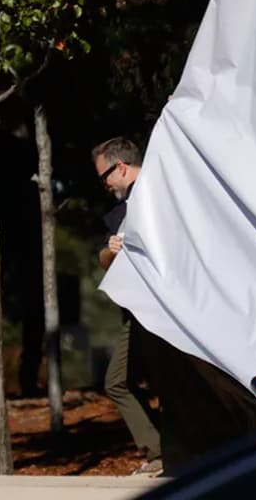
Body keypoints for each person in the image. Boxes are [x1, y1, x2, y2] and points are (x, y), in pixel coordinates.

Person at [93, 137, 163, 476]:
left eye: (104, 177)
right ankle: (163, 451)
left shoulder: (153, 195)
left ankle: (162, 452)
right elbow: (106, 260)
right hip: (143, 312)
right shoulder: (128, 209)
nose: (104, 185)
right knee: (124, 380)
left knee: (119, 381)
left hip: (158, 310)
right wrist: (111, 250)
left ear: (120, 168)